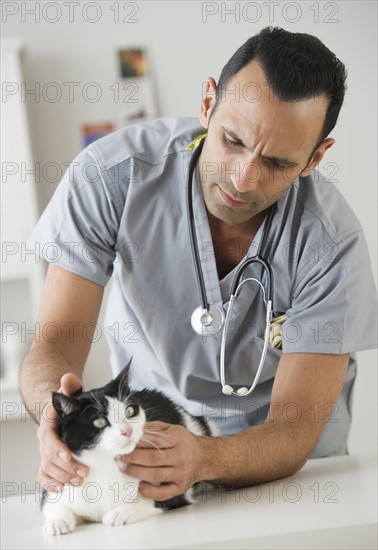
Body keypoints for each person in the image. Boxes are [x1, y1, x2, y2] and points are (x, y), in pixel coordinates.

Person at [21, 27, 377, 500]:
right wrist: (53, 412)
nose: (243, 178)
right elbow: (54, 347)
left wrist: (206, 456)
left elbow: (293, 429)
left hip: (295, 476)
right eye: (232, 140)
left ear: (315, 158)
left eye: (276, 163)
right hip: (149, 441)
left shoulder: (331, 244)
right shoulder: (110, 177)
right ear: (208, 102)